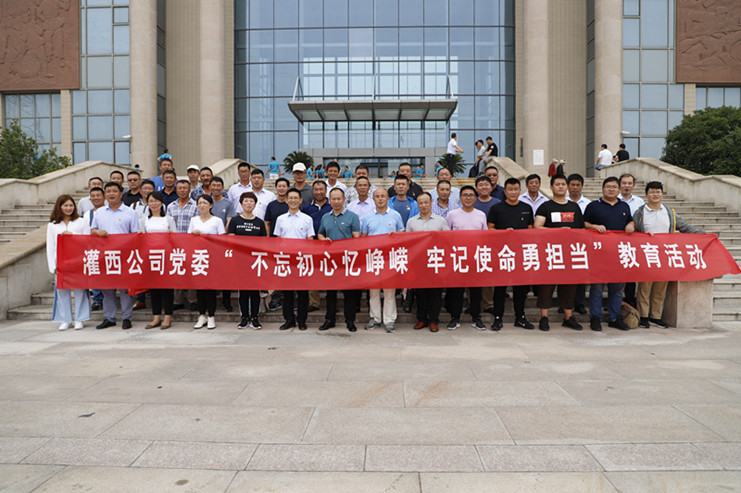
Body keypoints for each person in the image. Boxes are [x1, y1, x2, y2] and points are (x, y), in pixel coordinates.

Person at [633, 181, 705, 328]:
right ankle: (643, 316)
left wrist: (704, 234)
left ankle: (656, 316)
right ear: (646, 195)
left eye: (658, 192)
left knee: (660, 288)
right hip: (647, 254)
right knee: (644, 288)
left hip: (665, 255)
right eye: (652, 192)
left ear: (662, 194)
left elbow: (685, 227)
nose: (655, 194)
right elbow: (632, 231)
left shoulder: (669, 212)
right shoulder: (640, 212)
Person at [533, 175, 585, 331]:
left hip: (570, 253)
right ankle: (544, 317)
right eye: (557, 184)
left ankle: (568, 317)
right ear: (551, 187)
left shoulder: (574, 207)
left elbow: (581, 230)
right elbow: (537, 227)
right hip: (551, 253)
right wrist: (558, 231)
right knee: (546, 287)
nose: (561, 187)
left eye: (563, 184)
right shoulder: (545, 206)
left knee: (570, 287)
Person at [584, 176, 635, 332]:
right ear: (603, 189)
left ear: (619, 190)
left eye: (614, 187)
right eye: (608, 187)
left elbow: (630, 220)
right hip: (599, 253)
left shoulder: (624, 206)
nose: (611, 189)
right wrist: (594, 226)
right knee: (597, 288)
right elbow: (584, 224)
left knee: (618, 288)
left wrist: (631, 224)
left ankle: (614, 317)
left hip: (619, 253)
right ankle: (595, 317)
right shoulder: (593, 206)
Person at [90, 182, 140, 330]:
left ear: (120, 194)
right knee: (107, 288)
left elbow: (135, 234)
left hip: (124, 256)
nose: (111, 194)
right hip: (105, 256)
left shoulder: (130, 212)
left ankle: (126, 318)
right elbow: (92, 230)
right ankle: (109, 318)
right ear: (105, 194)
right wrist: (97, 232)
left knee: (125, 289)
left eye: (114, 191)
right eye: (108, 191)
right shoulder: (99, 212)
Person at [487, 178, 535, 331]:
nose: (513, 192)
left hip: (521, 255)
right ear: (505, 191)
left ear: (520, 190)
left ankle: (520, 317)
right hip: (502, 254)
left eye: (516, 189)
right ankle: (498, 318)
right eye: (510, 189)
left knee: (520, 289)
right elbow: (490, 229)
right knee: (500, 289)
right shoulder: (496, 208)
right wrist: (503, 233)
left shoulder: (526, 208)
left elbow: (531, 230)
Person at [317, 188, 362, 332]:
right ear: (329, 200)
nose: (336, 202)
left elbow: (356, 238)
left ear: (344, 200)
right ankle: (329, 319)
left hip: (348, 261)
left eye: (338, 199)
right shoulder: (325, 217)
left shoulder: (352, 216)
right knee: (330, 293)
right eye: (333, 199)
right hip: (331, 261)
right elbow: (320, 234)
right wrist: (323, 239)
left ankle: (350, 320)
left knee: (349, 293)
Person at [361, 188, 405, 333]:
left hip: (390, 258)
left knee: (389, 292)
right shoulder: (367, 217)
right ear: (373, 199)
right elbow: (363, 238)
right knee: (373, 292)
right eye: (377, 196)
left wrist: (396, 235)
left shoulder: (395, 215)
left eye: (383, 196)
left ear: (387, 198)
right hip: (373, 258)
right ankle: (375, 318)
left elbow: (402, 234)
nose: (380, 199)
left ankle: (389, 320)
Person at [445, 185, 487, 331]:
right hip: (458, 258)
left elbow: (485, 236)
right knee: (457, 290)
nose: (468, 198)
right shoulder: (452, 214)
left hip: (475, 258)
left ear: (475, 198)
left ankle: (476, 317)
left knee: (476, 291)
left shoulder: (481, 214)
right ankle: (455, 318)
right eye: (465, 195)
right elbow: (447, 235)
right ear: (460, 198)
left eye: (471, 195)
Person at [406, 192, 450, 332]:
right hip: (418, 262)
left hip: (435, 261)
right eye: (421, 203)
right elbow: (407, 243)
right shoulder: (411, 221)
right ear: (417, 205)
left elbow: (448, 240)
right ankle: (422, 319)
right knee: (421, 292)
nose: (424, 205)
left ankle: (433, 320)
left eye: (426, 202)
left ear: (431, 203)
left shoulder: (440, 220)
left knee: (435, 292)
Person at [46, 195, 91, 331]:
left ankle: (80, 319)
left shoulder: (81, 222)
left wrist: (73, 237)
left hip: (78, 261)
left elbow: (87, 241)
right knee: (62, 291)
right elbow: (50, 246)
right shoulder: (53, 225)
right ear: (59, 207)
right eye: (65, 205)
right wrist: (52, 265)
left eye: (71, 205)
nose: (69, 208)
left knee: (80, 291)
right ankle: (65, 319)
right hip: (60, 262)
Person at [273, 188, 315, 331]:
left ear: (300, 200)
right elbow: (278, 240)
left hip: (302, 260)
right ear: (286, 200)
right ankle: (289, 319)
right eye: (290, 198)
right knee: (287, 293)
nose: (293, 200)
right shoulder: (280, 219)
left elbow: (310, 240)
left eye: (295, 198)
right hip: (286, 260)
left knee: (303, 293)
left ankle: (302, 320)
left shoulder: (307, 219)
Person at [227, 192, 268, 330]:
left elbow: (264, 242)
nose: (248, 204)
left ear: (255, 204)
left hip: (255, 261)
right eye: (246, 201)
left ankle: (255, 318)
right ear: (241, 204)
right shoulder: (235, 221)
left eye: (251, 201)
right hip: (240, 261)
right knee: (243, 291)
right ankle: (244, 317)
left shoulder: (259, 222)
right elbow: (231, 240)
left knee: (255, 291)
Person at [139, 191, 176, 330]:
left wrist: (172, 235)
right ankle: (156, 317)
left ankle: (167, 317)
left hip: (166, 258)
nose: (154, 204)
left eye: (156, 201)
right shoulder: (144, 220)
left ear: (161, 203)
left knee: (167, 288)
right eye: (151, 201)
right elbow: (139, 238)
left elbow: (176, 238)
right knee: (154, 288)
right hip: (151, 258)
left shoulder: (169, 219)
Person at [189, 194, 226, 329]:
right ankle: (201, 315)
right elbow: (188, 239)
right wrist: (194, 235)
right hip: (198, 258)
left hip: (212, 258)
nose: (202, 205)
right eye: (200, 203)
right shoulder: (194, 220)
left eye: (205, 203)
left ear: (211, 205)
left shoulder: (217, 221)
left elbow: (222, 239)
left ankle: (211, 316)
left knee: (210, 289)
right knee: (200, 289)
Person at [167, 179, 199, 311]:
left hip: (191, 243)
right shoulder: (170, 206)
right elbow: (168, 224)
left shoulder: (195, 205)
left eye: (185, 188)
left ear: (189, 190)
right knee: (177, 271)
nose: (182, 190)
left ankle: (192, 300)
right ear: (176, 190)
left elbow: (197, 223)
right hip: (175, 245)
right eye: (179, 188)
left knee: (191, 272)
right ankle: (177, 300)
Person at [302, 180, 332, 312]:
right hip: (311, 245)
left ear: (326, 191)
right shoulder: (307, 207)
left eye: (321, 189)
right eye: (316, 190)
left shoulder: (332, 206)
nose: (319, 192)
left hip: (330, 245)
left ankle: (331, 303)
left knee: (330, 274)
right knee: (312, 274)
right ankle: (314, 302)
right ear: (312, 191)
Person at [210, 176, 236, 313]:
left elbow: (229, 222)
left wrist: (220, 235)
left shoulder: (228, 203)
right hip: (208, 244)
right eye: (213, 185)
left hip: (224, 242)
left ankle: (226, 301)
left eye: (218, 185)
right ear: (210, 187)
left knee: (226, 273)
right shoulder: (205, 201)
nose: (216, 188)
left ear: (222, 187)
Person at [567, 173, 591, 314]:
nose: (575, 188)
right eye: (572, 185)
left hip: (582, 244)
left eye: (578, 185)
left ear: (582, 186)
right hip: (564, 244)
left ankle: (580, 303)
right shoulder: (562, 202)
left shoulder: (588, 204)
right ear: (568, 186)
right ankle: (565, 303)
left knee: (581, 274)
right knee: (565, 275)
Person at [82, 186, 106, 311]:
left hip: (109, 247)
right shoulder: (87, 214)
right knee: (95, 274)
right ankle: (97, 299)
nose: (96, 198)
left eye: (98, 195)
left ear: (104, 197)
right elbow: (85, 231)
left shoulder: (109, 211)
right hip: (93, 248)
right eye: (93, 196)